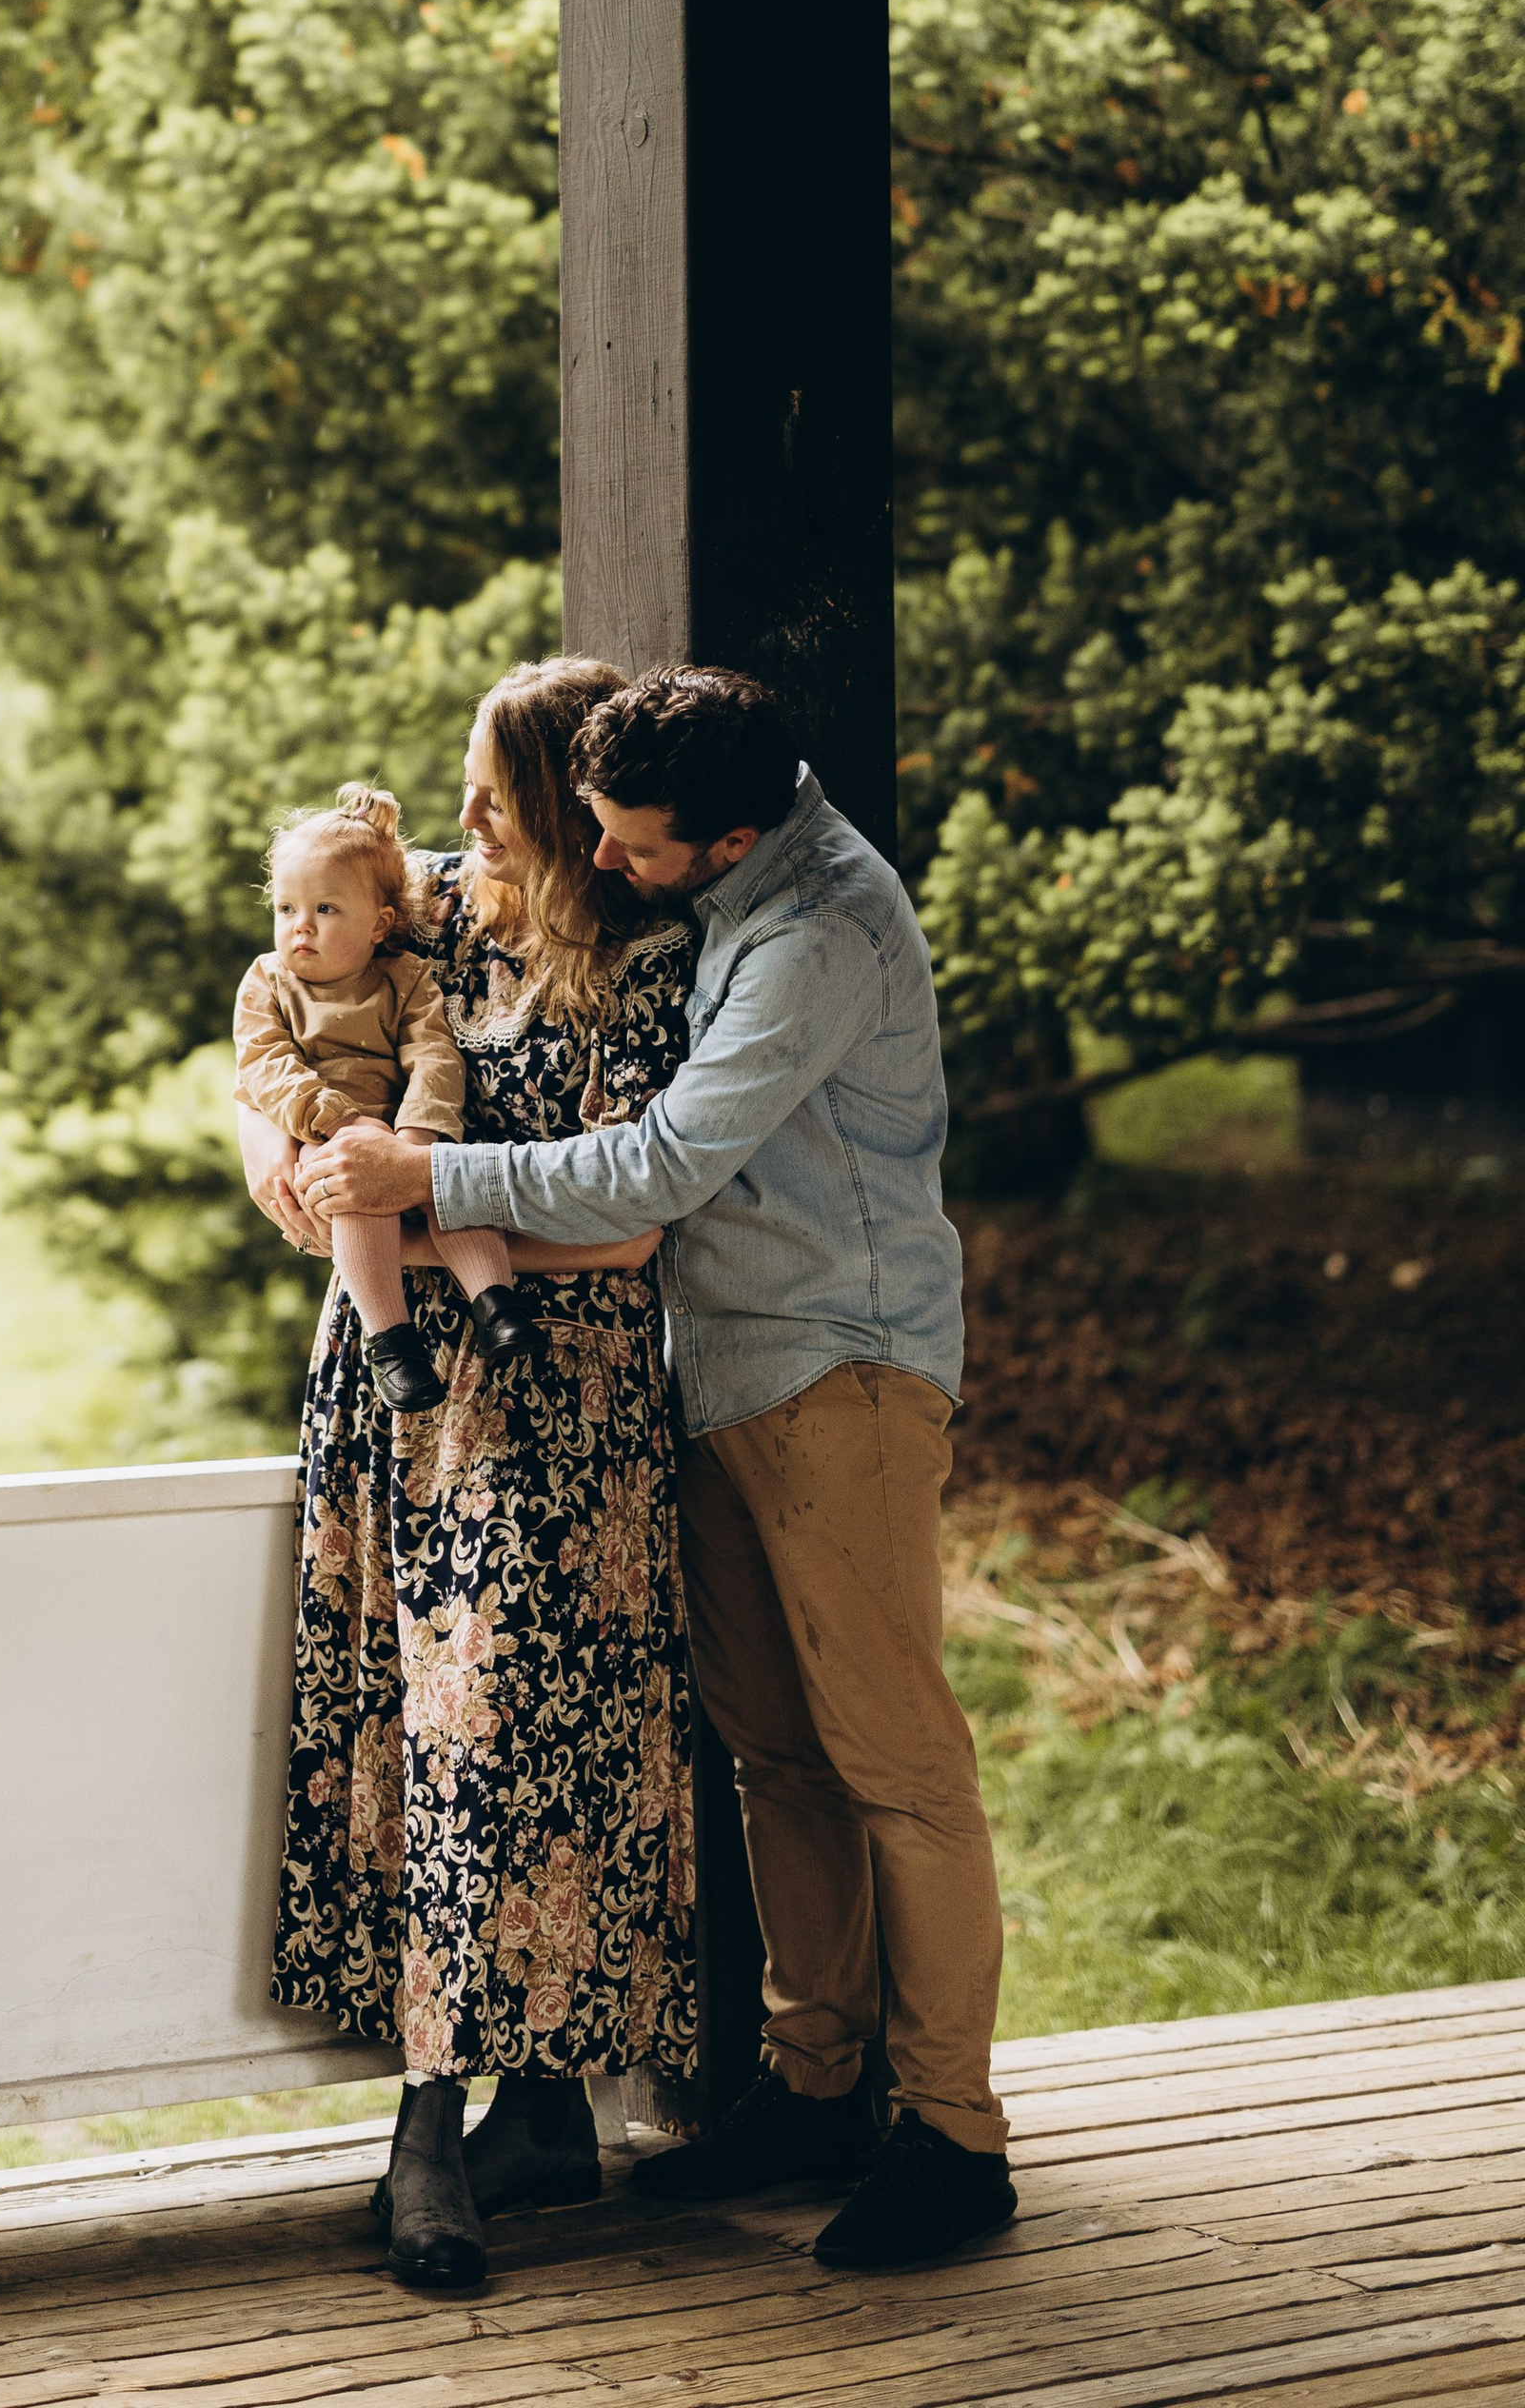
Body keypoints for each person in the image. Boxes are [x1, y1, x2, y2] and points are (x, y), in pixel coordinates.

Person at [304, 662, 1016, 2275]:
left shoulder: (818, 931)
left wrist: (425, 1177)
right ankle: (816, 2085)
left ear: (728, 837)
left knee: (896, 1761)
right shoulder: (708, 878)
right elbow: (378, 895)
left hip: (839, 1368)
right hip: (723, 1370)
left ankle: (954, 2136)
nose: (611, 864)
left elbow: (665, 1164)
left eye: (631, 843)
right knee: (778, 1756)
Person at [247, 657, 703, 2295]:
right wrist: (284, 1149)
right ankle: (531, 2118)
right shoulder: (431, 909)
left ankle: (439, 2128)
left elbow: (634, 1224)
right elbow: (274, 1009)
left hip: (559, 1399)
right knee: (410, 1730)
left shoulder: (652, 965)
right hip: (397, 1383)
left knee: (508, 1735)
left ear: (571, 817)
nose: (462, 823)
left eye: (494, 801)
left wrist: (407, 1192)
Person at [232, 782, 544, 1413]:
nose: (300, 926)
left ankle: (495, 1302)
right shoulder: (267, 982)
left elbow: (433, 1055)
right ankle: (391, 1341)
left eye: (325, 909)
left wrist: (417, 1139)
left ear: (378, 925)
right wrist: (341, 1123)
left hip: (403, 1130)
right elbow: (266, 1066)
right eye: (286, 908)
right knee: (355, 1197)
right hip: (326, 1137)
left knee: (450, 1187)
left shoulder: (405, 977)